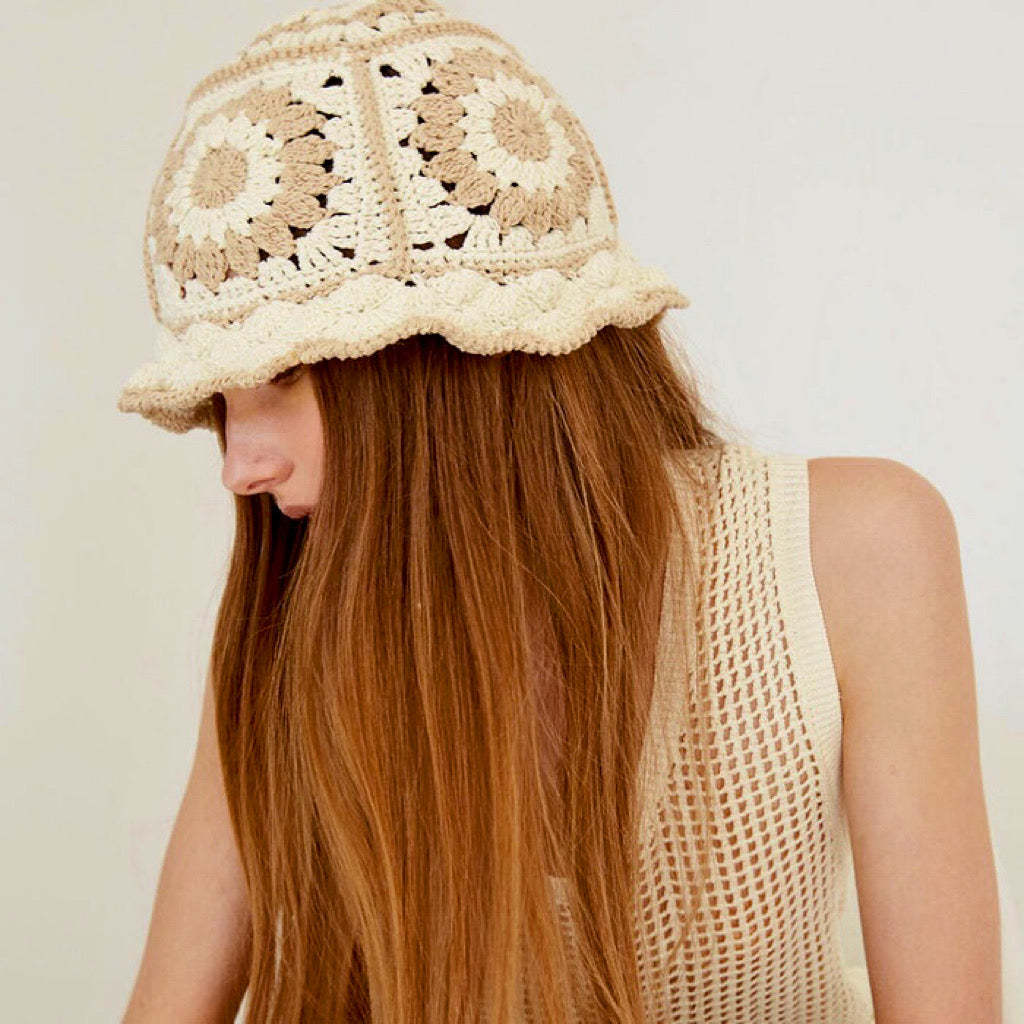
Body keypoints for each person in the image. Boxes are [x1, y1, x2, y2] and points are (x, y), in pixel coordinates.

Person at [115, 2, 1007, 1021]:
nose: (239, 464)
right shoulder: (298, 631)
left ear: (449, 360)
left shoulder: (849, 552)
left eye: (280, 376)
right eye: (220, 400)